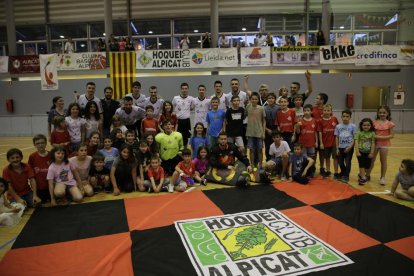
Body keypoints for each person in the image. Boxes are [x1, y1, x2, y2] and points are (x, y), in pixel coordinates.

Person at [367, 106, 395, 185]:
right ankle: (367, 175)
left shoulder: (390, 124)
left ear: (387, 113)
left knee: (383, 161)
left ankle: (382, 177)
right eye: (380, 112)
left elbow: (392, 135)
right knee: (371, 160)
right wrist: (376, 137)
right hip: (374, 144)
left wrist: (382, 137)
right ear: (378, 113)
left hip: (384, 145)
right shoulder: (374, 123)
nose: (382, 114)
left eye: (384, 112)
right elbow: (371, 133)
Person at [294, 104, 317, 175]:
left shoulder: (314, 121)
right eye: (305, 111)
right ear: (303, 112)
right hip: (303, 143)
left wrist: (316, 142)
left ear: (311, 112)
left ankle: (310, 171)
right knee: (303, 158)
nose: (307, 112)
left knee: (311, 157)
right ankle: (303, 170)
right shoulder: (300, 121)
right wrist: (297, 126)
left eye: (308, 110)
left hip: (311, 143)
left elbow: (315, 132)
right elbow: (298, 132)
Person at [335, 109, 356, 183]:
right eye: (344, 116)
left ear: (350, 117)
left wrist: (350, 147)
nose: (345, 118)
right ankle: (343, 172)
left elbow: (354, 137)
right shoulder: (338, 126)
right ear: (341, 117)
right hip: (341, 147)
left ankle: (346, 175)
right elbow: (337, 137)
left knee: (347, 161)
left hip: (349, 147)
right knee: (340, 162)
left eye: (347, 116)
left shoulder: (353, 126)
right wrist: (337, 148)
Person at [317, 104, 339, 178]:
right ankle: (328, 170)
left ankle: (336, 172)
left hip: (334, 143)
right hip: (325, 143)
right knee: (327, 158)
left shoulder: (334, 119)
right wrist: (321, 143)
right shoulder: (320, 121)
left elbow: (338, 130)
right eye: (325, 110)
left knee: (335, 158)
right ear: (322, 111)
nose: (326, 112)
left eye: (328, 110)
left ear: (331, 111)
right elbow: (320, 132)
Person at [28, 134, 51, 203]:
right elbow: (30, 172)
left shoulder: (51, 155)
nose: (40, 145)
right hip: (40, 187)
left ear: (46, 143)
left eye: (42, 143)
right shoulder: (32, 156)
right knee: (41, 202)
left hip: (51, 185)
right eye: (38, 143)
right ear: (34, 145)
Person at [246, 92, 266, 168]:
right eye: (252, 99)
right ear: (250, 99)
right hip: (250, 132)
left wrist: (263, 132)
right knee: (251, 150)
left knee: (260, 150)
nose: (254, 100)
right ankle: (252, 165)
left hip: (259, 132)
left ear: (258, 100)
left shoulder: (261, 108)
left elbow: (264, 121)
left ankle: (260, 165)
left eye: (256, 99)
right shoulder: (248, 107)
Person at [355, 118, 376, 185]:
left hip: (368, 152)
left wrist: (371, 152)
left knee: (367, 166)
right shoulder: (359, 133)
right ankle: (363, 178)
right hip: (361, 152)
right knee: (361, 165)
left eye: (368, 125)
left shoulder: (372, 133)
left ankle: (361, 174)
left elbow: (373, 143)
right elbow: (356, 142)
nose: (366, 126)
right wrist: (357, 151)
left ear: (371, 126)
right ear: (361, 125)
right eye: (364, 125)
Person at [264, 93, 280, 161]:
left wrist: (277, 130)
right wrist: (267, 129)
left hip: (276, 129)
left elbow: (280, 119)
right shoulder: (264, 108)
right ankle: (268, 160)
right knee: (268, 146)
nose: (271, 99)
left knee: (277, 145)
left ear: (275, 99)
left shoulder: (278, 108)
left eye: (272, 98)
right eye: (269, 98)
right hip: (267, 130)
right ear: (267, 99)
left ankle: (276, 160)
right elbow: (262, 121)